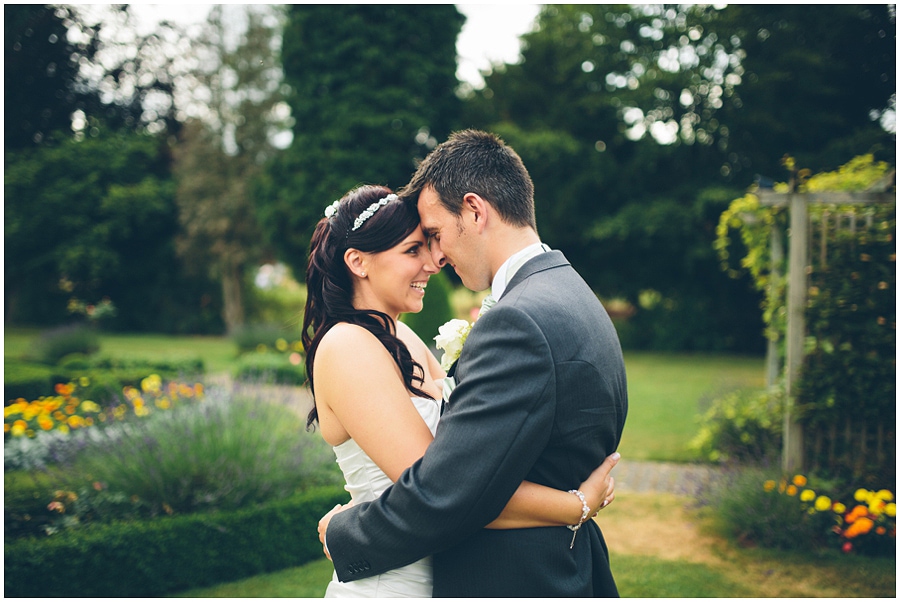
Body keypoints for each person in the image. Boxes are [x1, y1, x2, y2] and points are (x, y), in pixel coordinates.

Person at [319, 131, 628, 597]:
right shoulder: (571, 293)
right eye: (416, 248)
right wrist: (574, 504)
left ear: (475, 210)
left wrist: (346, 532)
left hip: (516, 573)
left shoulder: (515, 320)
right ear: (358, 262)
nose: (435, 259)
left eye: (434, 238)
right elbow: (451, 481)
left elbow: (450, 489)